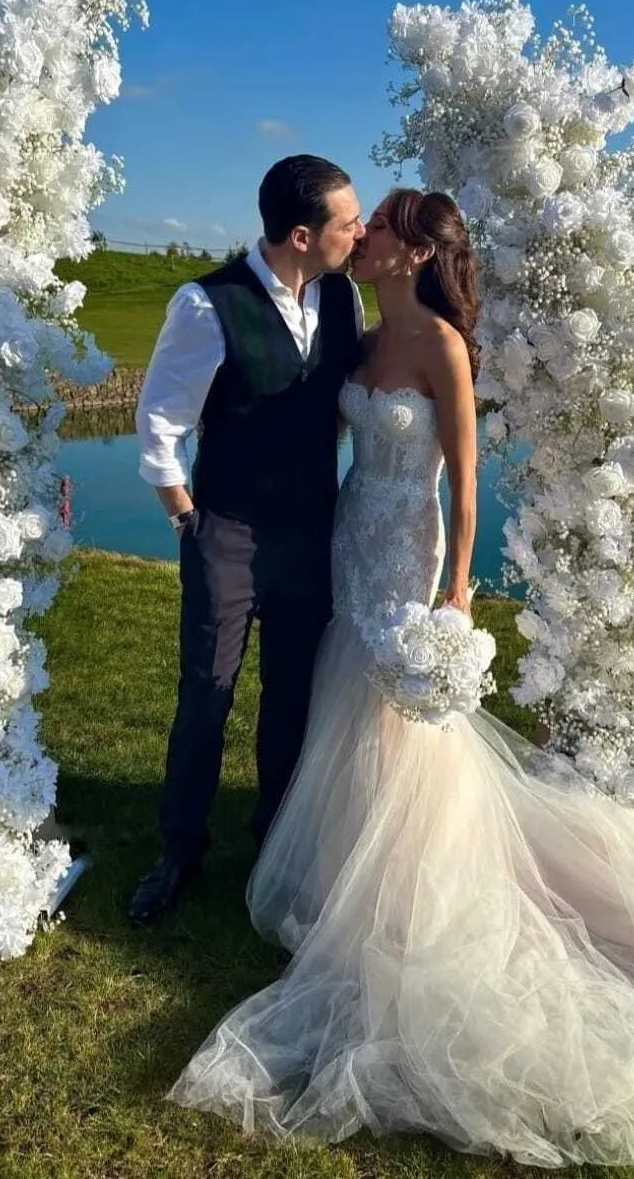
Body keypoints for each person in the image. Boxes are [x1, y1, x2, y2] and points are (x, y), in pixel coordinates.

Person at [168, 189, 634, 1169]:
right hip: (347, 539)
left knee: (409, 726)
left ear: (411, 252)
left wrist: (454, 590)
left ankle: (413, 890)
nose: (360, 237)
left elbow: (461, 478)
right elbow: (323, 441)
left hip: (410, 552)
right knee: (347, 705)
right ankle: (344, 872)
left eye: (378, 229)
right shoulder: (356, 333)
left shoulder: (445, 350)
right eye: (352, 225)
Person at [129, 155, 366, 924]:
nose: (357, 232)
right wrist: (187, 520)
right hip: (224, 531)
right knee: (207, 691)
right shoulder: (206, 305)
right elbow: (159, 428)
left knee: (292, 696)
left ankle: (276, 839)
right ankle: (179, 847)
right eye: (347, 221)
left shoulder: (343, 298)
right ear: (302, 234)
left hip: (310, 534)